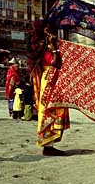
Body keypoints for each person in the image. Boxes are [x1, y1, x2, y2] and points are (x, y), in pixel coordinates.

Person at [29, 20, 70, 156]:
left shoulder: (49, 45)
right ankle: (47, 145)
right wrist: (53, 48)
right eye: (46, 29)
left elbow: (58, 63)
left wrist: (54, 47)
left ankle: (50, 144)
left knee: (58, 109)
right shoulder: (40, 47)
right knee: (48, 110)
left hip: (54, 80)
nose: (48, 31)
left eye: (49, 28)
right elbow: (54, 63)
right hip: (47, 80)